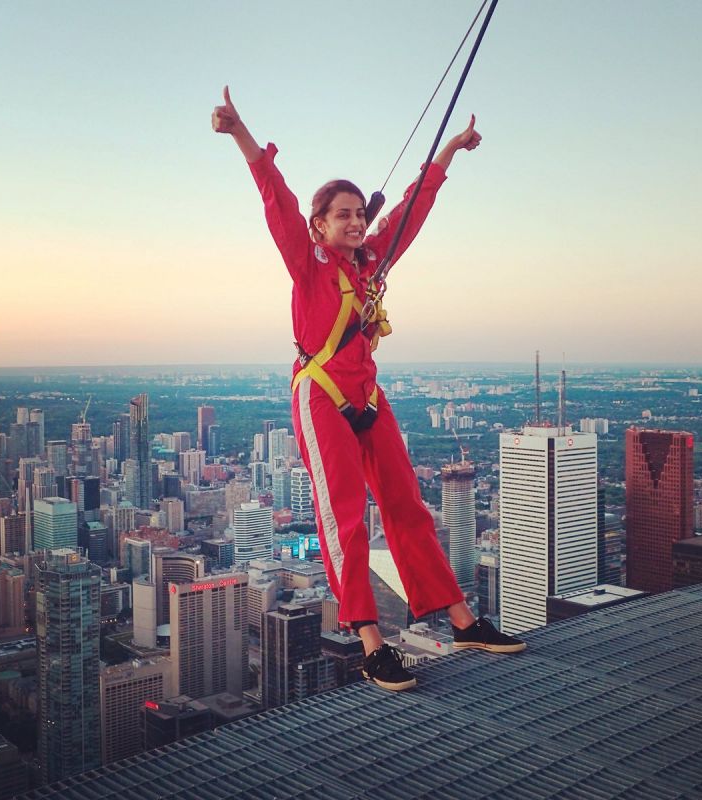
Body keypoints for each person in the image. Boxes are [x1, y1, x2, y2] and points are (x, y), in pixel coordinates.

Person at [213, 86, 525, 692]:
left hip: (368, 396)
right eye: (343, 215)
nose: (355, 222)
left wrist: (453, 150)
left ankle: (461, 619)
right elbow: (273, 197)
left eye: (360, 214)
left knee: (408, 505)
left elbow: (413, 207)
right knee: (345, 518)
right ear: (320, 225)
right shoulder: (309, 265)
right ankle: (371, 642)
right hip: (321, 392)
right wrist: (240, 131)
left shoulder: (372, 263)